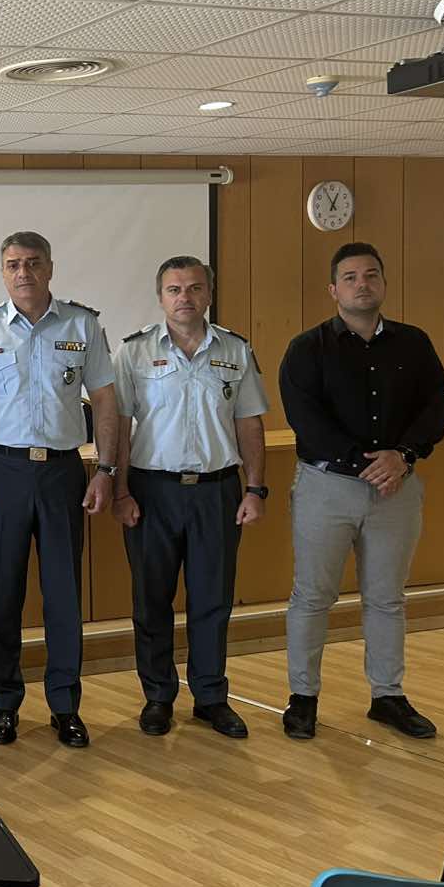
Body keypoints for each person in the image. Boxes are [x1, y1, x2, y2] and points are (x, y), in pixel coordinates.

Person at [0, 231, 119, 749]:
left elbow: (105, 401)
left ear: (50, 268)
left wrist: (106, 469)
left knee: (64, 595)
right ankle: (4, 704)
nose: (23, 272)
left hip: (63, 472)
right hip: (2, 473)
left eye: (32, 262)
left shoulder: (82, 325)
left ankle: (65, 707)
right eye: (13, 264)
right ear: (3, 272)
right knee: (3, 595)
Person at [278, 242, 444, 741]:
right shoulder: (307, 348)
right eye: (350, 277)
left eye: (371, 275)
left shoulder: (414, 343)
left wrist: (404, 456)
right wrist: (366, 463)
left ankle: (387, 696)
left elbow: (435, 406)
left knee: (387, 598)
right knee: (313, 596)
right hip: (327, 487)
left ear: (384, 284)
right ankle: (302, 698)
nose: (362, 284)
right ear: (334, 290)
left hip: (397, 487)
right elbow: (305, 417)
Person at [111, 256, 268, 739]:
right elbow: (118, 426)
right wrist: (119, 490)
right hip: (151, 492)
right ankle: (158, 696)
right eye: (175, 289)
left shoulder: (236, 350)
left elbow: (249, 423)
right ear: (160, 297)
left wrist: (255, 488)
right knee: (151, 601)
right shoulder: (133, 352)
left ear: (209, 294)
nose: (185, 297)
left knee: (212, 600)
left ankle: (211, 697)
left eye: (195, 288)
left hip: (217, 492)